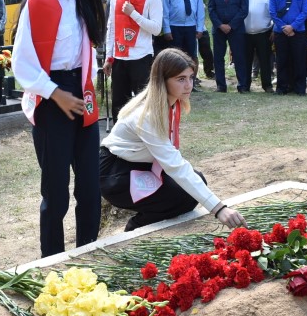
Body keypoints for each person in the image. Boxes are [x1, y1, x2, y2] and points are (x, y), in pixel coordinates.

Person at [13, 0, 106, 258]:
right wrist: (56, 93)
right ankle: (51, 261)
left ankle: (88, 254)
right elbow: (21, 62)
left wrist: (83, 89)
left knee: (90, 186)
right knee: (56, 191)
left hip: (83, 93)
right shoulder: (38, 1)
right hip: (51, 97)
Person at [100, 49, 246, 231]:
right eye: (181, 79)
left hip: (139, 163)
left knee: (196, 182)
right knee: (181, 195)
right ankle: (136, 229)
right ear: (162, 80)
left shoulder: (172, 102)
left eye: (191, 77)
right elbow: (174, 164)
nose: (189, 85)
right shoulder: (148, 114)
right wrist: (219, 209)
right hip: (115, 172)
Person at [104, 0, 163, 121]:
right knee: (118, 105)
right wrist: (109, 56)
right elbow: (111, 28)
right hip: (119, 56)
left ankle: (143, 134)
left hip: (141, 56)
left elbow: (156, 29)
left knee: (143, 105)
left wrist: (134, 14)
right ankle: (118, 135)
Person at [269, 0, 307, 95]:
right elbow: (272, 12)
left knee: (299, 60)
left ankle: (299, 88)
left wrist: (292, 27)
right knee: (282, 60)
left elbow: (305, 11)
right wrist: (284, 27)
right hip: (280, 32)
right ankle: (282, 87)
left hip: (298, 31)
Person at [207, 0, 249, 92]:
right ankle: (221, 85)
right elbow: (211, 8)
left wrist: (231, 25)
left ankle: (242, 86)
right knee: (218, 58)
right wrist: (220, 25)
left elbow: (244, 9)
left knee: (239, 57)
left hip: (236, 28)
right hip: (218, 29)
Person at [244, 0, 275, 93]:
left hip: (264, 32)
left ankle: (267, 85)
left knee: (265, 60)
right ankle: (245, 85)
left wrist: (274, 29)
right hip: (245, 33)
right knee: (246, 61)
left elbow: (274, 11)